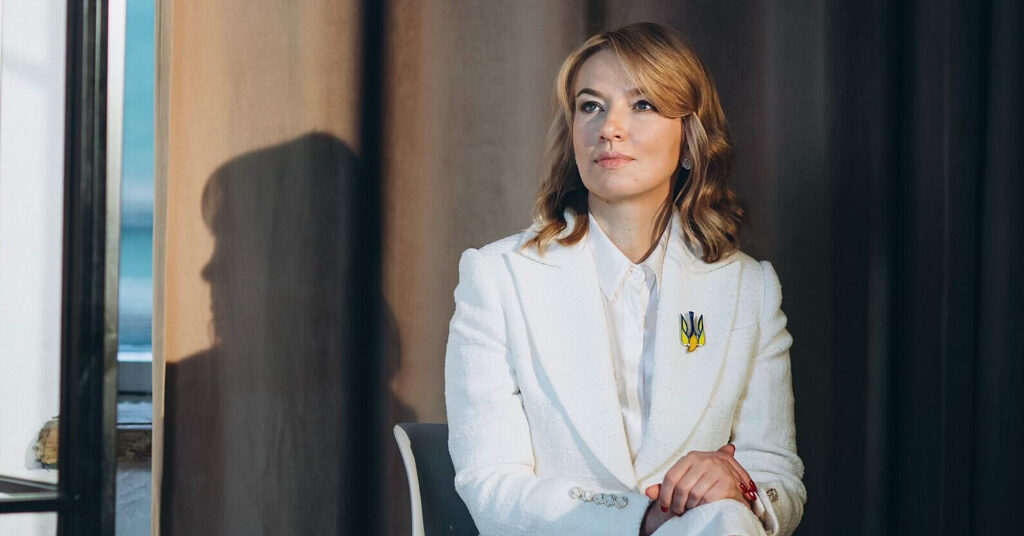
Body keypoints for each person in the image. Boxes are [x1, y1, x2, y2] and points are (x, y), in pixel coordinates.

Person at [444, 22, 805, 536]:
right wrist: (641, 517)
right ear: (572, 136)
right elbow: (491, 486)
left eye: (642, 105)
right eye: (590, 106)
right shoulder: (498, 278)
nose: (609, 127)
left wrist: (738, 485)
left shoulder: (749, 288)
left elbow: (778, 480)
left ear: (689, 141)